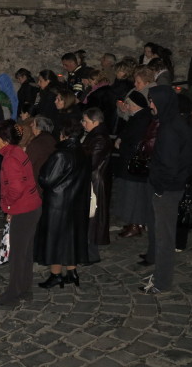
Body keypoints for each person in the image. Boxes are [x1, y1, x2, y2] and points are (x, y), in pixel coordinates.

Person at [139, 85, 192, 295]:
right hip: (171, 185)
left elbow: (170, 163)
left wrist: (160, 187)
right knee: (162, 234)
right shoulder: (175, 123)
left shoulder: (171, 128)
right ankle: (160, 275)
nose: (150, 105)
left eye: (152, 101)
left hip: (167, 189)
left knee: (164, 237)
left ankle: (162, 282)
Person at [34, 117, 90, 290]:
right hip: (76, 202)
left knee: (55, 239)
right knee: (70, 237)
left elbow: (47, 179)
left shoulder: (61, 154)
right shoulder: (82, 152)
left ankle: (56, 275)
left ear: (65, 134)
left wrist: (43, 171)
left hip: (59, 204)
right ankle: (72, 272)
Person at [0, 120, 41, 308]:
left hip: (24, 210)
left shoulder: (10, 158)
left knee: (18, 256)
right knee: (25, 253)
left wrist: (8, 208)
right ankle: (25, 290)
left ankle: (12, 295)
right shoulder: (17, 151)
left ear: (4, 140)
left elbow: (16, 188)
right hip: (31, 207)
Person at [113, 91, 153, 239]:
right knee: (132, 194)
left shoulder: (142, 119)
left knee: (133, 195)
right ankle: (134, 222)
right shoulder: (138, 117)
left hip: (134, 165)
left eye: (128, 104)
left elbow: (135, 142)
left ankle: (135, 224)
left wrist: (121, 144)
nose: (126, 107)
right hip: (132, 164)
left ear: (135, 105)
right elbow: (125, 132)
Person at [81, 108, 112, 265]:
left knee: (92, 219)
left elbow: (91, 162)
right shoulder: (95, 136)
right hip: (92, 181)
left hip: (95, 183)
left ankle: (91, 254)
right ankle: (87, 252)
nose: (83, 124)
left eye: (85, 121)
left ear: (95, 122)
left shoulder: (99, 138)